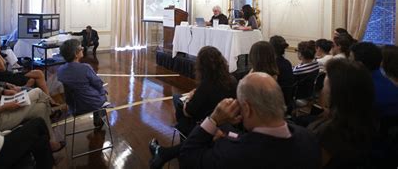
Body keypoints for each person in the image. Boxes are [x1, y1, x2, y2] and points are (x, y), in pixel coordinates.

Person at [149, 72, 321, 169]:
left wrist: (213, 119)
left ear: (246, 108)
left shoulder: (231, 154)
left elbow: (188, 157)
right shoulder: (310, 139)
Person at [308, 58, 376, 167]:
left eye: (325, 85)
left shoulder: (329, 132)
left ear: (335, 93)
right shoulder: (368, 118)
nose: (323, 90)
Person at [171, 46, 237, 136]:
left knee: (177, 98)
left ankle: (184, 136)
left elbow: (188, 112)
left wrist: (189, 98)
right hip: (226, 123)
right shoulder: (232, 80)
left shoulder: (206, 85)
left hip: (204, 125)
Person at [57, 39, 109, 126]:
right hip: (89, 104)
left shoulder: (60, 69)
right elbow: (98, 83)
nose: (83, 48)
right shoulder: (85, 68)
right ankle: (99, 122)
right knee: (103, 95)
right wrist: (102, 91)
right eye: (81, 48)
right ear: (75, 54)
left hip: (73, 106)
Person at [350, 42, 398, 117]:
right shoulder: (387, 81)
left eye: (350, 60)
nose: (348, 63)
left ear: (359, 64)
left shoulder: (362, 88)